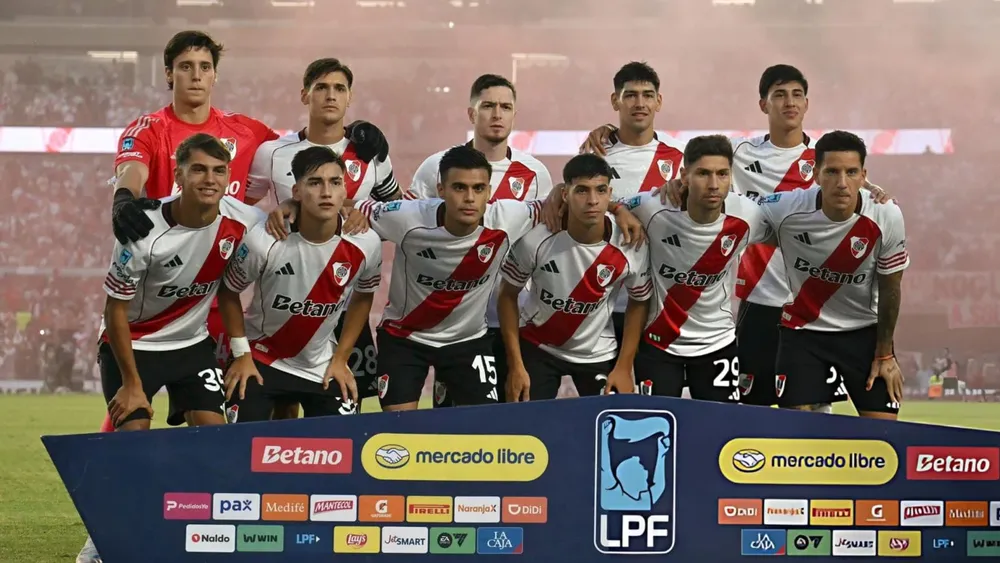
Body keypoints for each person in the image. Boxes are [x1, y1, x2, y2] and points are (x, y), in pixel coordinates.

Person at [579, 64, 892, 409]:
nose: (789, 103)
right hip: (752, 299)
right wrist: (617, 151)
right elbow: (699, 161)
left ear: (807, 103)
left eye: (796, 95)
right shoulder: (740, 153)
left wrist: (873, 188)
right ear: (763, 104)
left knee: (812, 409)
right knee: (749, 407)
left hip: (809, 301)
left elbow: (850, 185)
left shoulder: (825, 159)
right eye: (779, 95)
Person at [355, 145, 642, 411]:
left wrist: (618, 209)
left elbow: (569, 201)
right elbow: (357, 210)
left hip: (467, 340)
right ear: (440, 189)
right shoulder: (406, 218)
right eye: (459, 188)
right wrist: (349, 209)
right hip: (405, 338)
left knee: (484, 432)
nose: (469, 198)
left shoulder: (507, 217)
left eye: (478, 188)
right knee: (401, 432)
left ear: (489, 191)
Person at [246, 57, 396, 405]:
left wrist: (363, 212)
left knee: (338, 423)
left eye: (339, 89)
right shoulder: (273, 153)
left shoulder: (371, 154)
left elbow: (396, 215)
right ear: (304, 96)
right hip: (286, 299)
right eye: (321, 88)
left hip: (342, 306)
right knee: (276, 416)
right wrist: (275, 209)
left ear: (349, 98)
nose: (331, 95)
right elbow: (241, 207)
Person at [100, 134, 264, 431]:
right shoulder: (142, 228)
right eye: (199, 169)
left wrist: (291, 205)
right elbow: (114, 310)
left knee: (214, 439)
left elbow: (293, 224)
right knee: (134, 442)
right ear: (179, 175)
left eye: (219, 170)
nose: (209, 179)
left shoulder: (247, 221)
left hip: (191, 344)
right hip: (134, 344)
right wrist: (131, 383)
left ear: (228, 177)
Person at [406, 74, 553, 406]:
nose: (497, 114)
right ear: (471, 114)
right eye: (488, 106)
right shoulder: (436, 167)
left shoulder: (535, 173)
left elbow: (542, 240)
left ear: (515, 115)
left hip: (510, 317)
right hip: (454, 319)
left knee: (511, 414)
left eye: (505, 107)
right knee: (452, 419)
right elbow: (412, 232)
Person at [218, 146, 382, 421]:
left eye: (335, 183)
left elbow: (364, 296)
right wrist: (241, 355)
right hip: (261, 359)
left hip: (321, 365)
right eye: (315, 183)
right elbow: (228, 291)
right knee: (241, 448)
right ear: (296, 192)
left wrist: (341, 358)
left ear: (344, 193)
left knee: (342, 451)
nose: (326, 192)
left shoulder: (366, 243)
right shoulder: (264, 241)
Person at [756, 130, 908, 419]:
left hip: (863, 333)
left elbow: (891, 288)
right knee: (799, 439)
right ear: (815, 175)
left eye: (851, 172)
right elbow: (727, 213)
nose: (841, 183)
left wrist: (885, 355)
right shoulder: (785, 208)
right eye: (832, 172)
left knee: (883, 437)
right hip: (803, 333)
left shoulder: (886, 215)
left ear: (864, 176)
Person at [622, 135, 771, 402]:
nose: (714, 184)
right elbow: (605, 206)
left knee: (722, 432)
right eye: (703, 173)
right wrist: (617, 210)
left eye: (722, 174)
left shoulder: (749, 215)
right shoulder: (653, 207)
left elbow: (797, 223)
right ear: (684, 176)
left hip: (717, 344)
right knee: (660, 427)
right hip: (659, 344)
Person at [498, 154, 652, 401]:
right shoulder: (536, 240)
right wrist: (516, 365)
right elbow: (507, 295)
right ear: (565, 194)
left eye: (600, 191)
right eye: (582, 191)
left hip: (597, 352)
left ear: (609, 194)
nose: (592, 200)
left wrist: (624, 367)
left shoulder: (630, 243)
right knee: (526, 427)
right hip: (538, 346)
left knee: (604, 427)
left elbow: (640, 300)